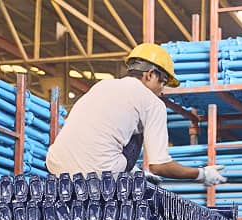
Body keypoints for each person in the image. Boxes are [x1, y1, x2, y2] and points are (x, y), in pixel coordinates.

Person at [46, 43, 226, 186]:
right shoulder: (152, 102)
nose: (161, 91)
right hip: (98, 179)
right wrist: (201, 174)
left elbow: (99, 139)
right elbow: (160, 166)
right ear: (150, 75)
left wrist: (138, 174)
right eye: (162, 83)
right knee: (138, 133)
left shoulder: (103, 86)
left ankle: (129, 173)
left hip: (56, 169)